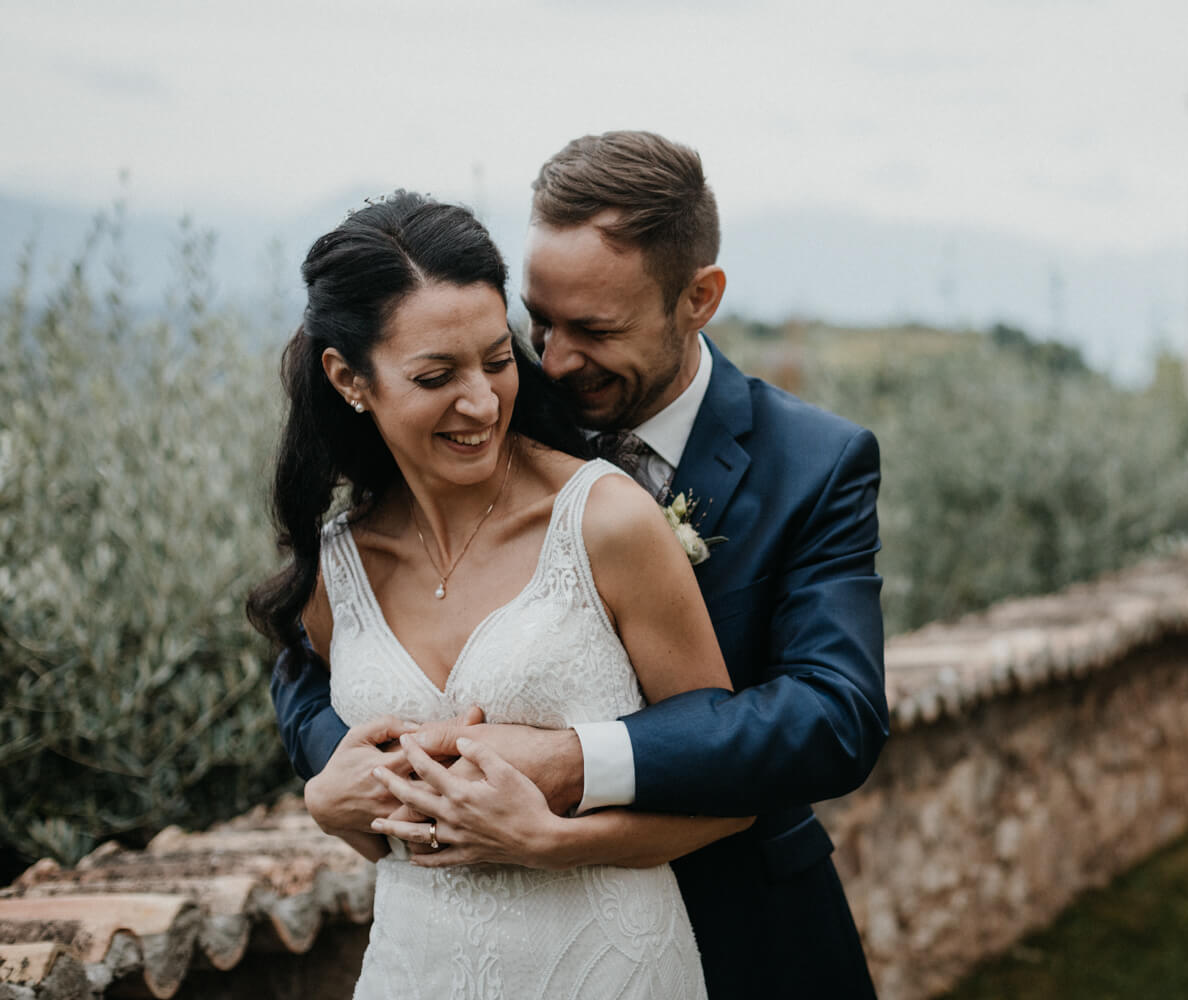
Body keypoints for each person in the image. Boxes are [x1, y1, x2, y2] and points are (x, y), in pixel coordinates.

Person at [272, 132, 889, 999]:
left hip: (743, 922)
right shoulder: (483, 411)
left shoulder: (813, 463)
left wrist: (571, 762)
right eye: (540, 322)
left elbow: (833, 716)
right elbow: (313, 652)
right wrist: (347, 772)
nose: (550, 363)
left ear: (697, 299)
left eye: (595, 330)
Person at [247, 191, 753, 998]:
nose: (481, 402)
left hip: (607, 970)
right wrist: (328, 803)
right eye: (436, 375)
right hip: (415, 969)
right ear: (349, 378)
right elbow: (395, 822)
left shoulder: (605, 520)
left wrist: (550, 841)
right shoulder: (337, 567)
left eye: (495, 360)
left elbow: (733, 793)